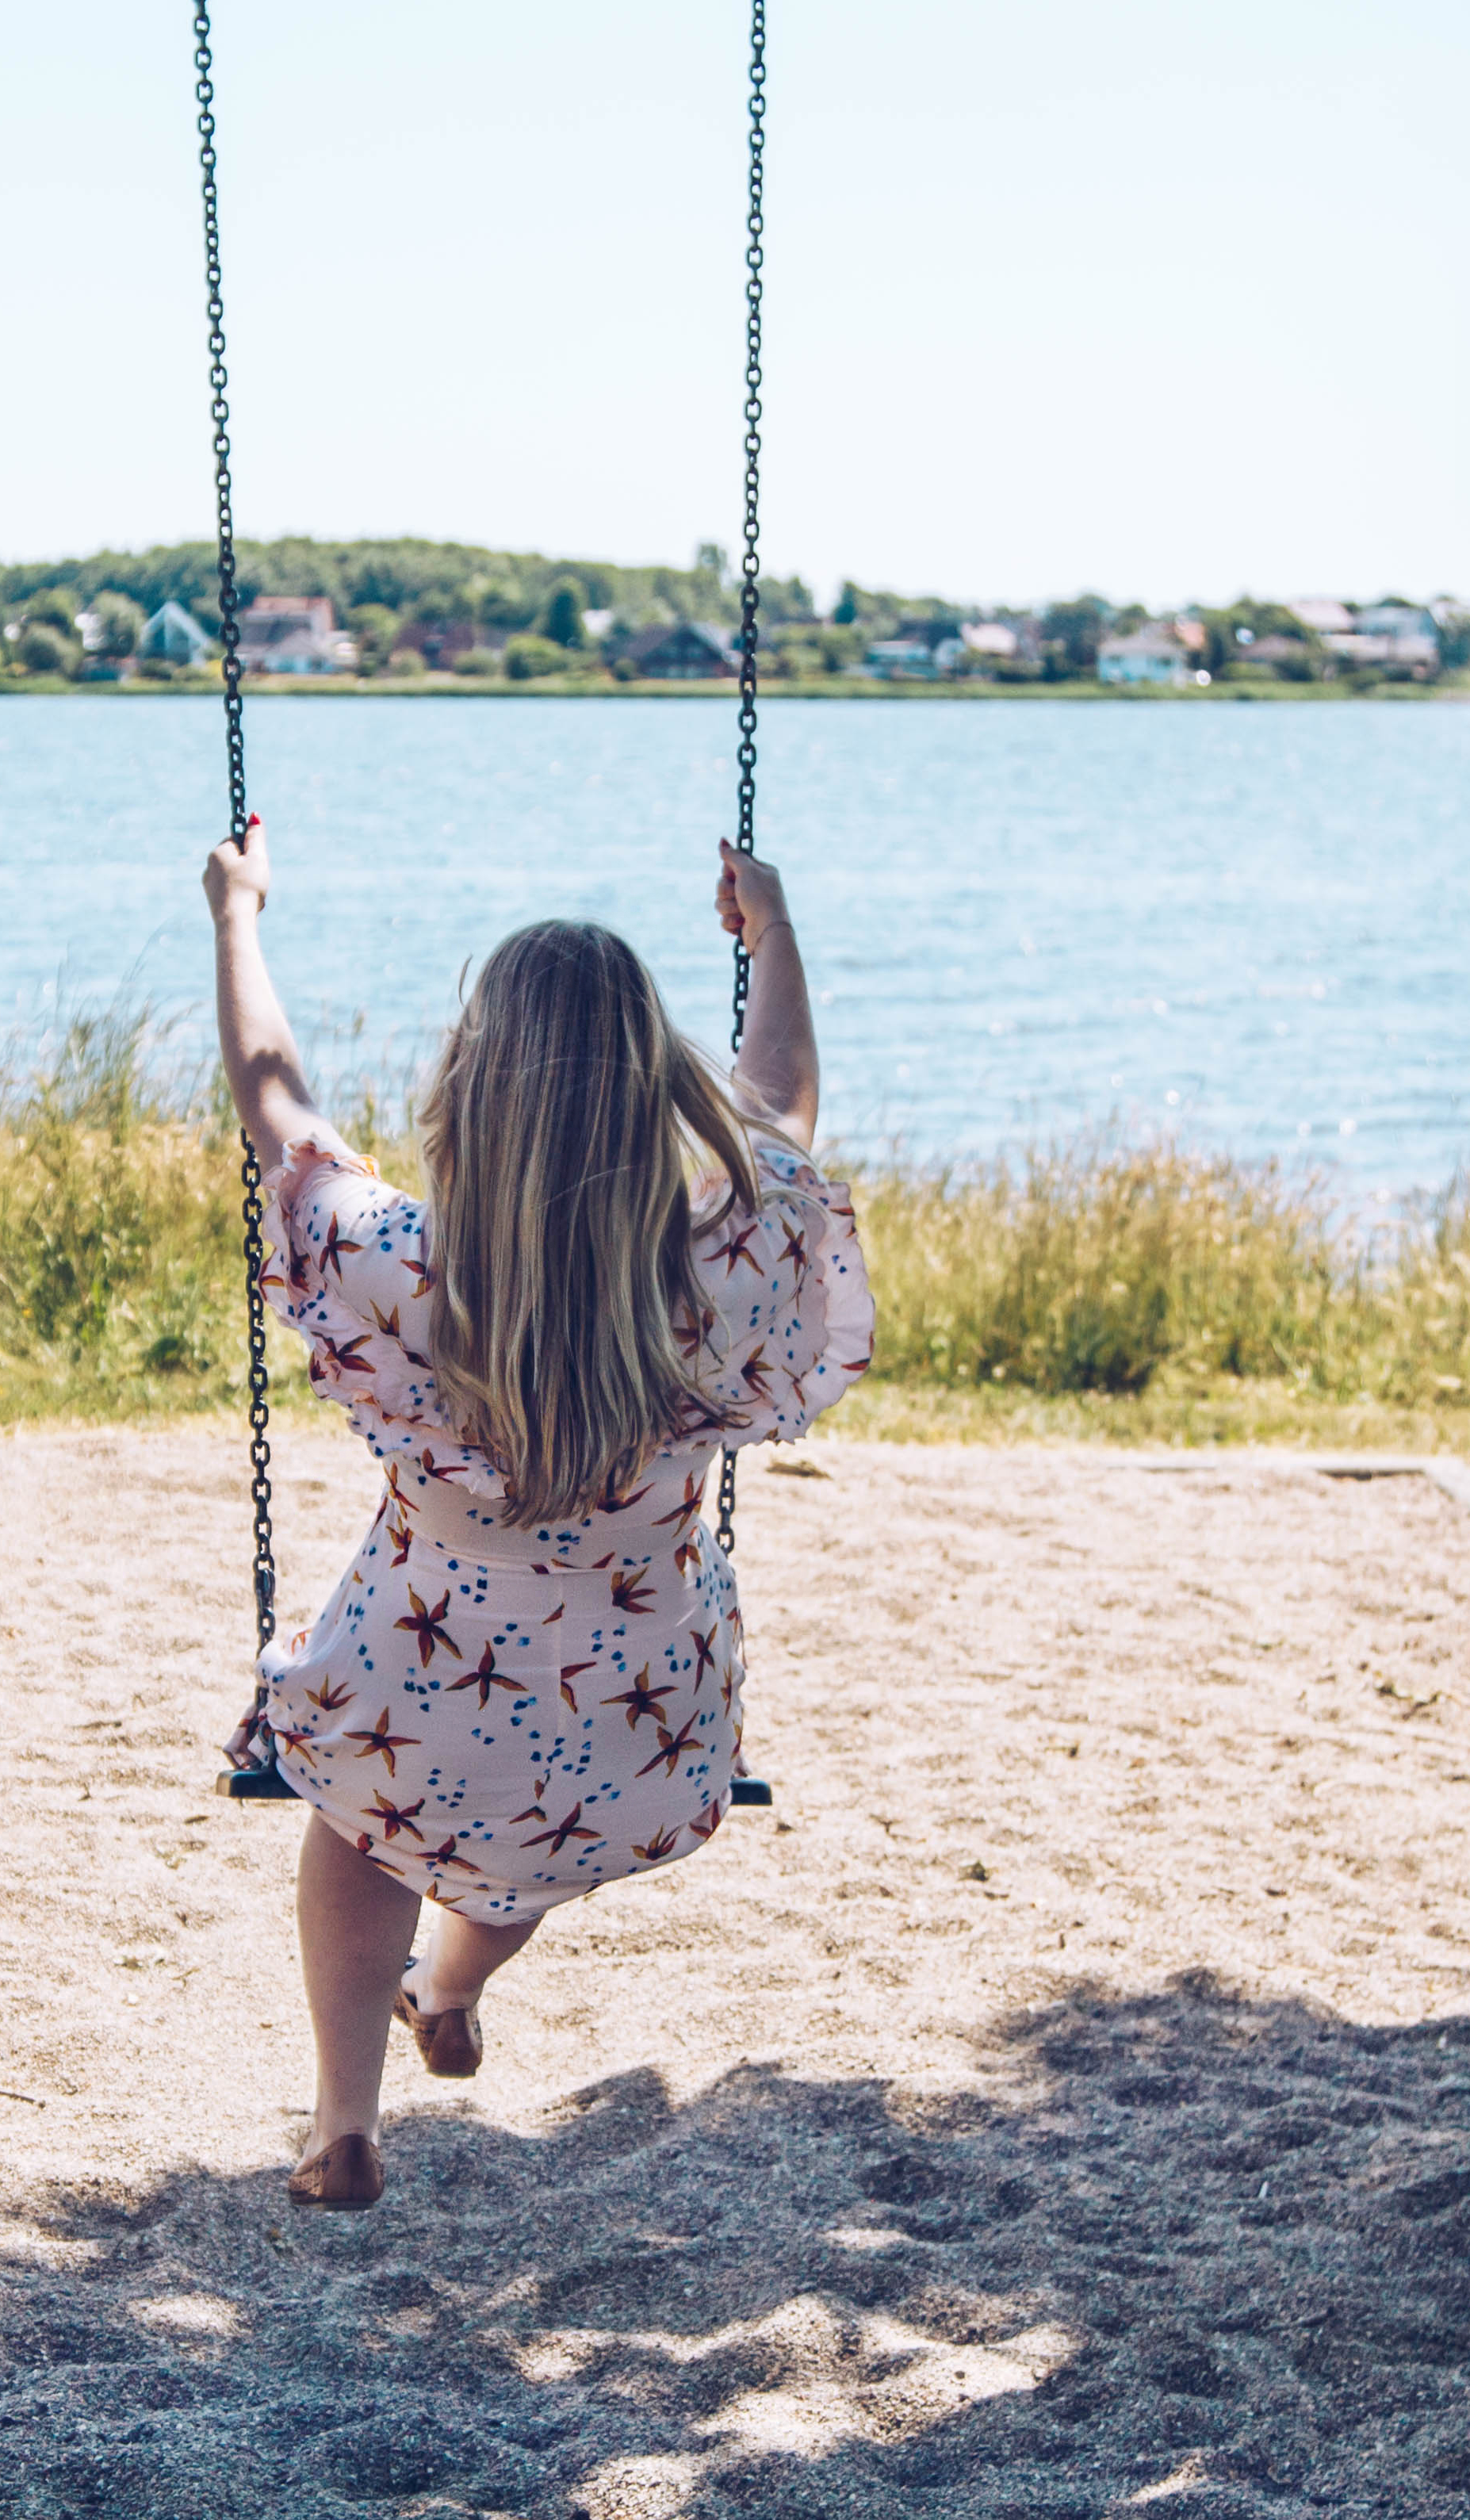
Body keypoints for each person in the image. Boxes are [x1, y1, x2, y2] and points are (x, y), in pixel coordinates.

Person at [203, 818, 873, 2210]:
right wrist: (775, 930)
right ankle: (450, 1986)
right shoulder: (715, 1267)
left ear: (472, 1086)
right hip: (633, 1705)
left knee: (366, 1815)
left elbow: (274, 1101)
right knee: (521, 1834)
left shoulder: (401, 1258)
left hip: (419, 1668)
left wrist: (237, 914)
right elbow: (780, 1105)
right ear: (654, 1092)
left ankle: (342, 2118)